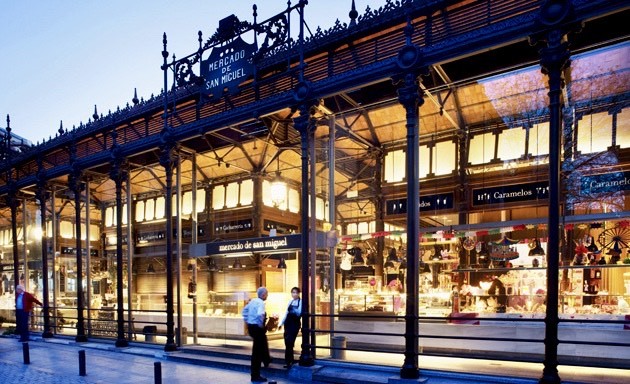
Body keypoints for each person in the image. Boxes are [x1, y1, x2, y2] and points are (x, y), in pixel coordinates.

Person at [242, 286, 272, 382]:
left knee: (262, 343)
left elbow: (244, 312)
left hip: (251, 327)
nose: (267, 296)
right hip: (257, 328)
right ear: (263, 295)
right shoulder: (261, 303)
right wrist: (260, 325)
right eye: (266, 294)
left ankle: (266, 359)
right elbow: (260, 314)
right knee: (257, 353)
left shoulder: (252, 301)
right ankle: (255, 375)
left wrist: (248, 321)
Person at [279, 287, 302, 368]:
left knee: (290, 342)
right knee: (287, 342)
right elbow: (286, 313)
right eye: (293, 292)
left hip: (295, 324)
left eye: (296, 292)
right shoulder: (290, 301)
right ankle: (288, 361)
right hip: (288, 323)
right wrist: (281, 323)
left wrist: (293, 310)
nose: (294, 294)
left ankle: (290, 361)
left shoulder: (301, 302)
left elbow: (299, 313)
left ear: (299, 293)